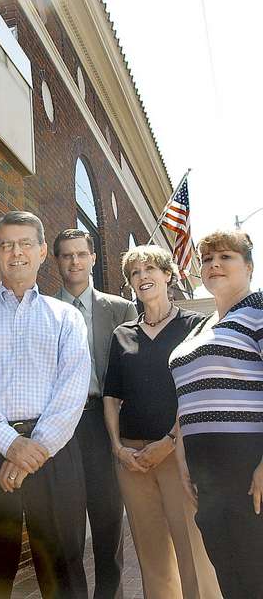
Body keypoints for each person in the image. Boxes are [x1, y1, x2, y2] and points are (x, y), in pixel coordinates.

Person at [0, 211, 91, 599]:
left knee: (64, 571)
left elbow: (72, 390)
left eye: (26, 243)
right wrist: (10, 443)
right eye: (6, 245)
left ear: (42, 251)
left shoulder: (67, 317)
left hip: (54, 453)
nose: (16, 252)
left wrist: (33, 449)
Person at [103, 245, 221, 599]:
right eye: (135, 273)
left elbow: (199, 389)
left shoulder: (195, 326)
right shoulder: (122, 334)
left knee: (193, 549)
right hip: (133, 460)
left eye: (150, 269)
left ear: (168, 275)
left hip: (178, 452)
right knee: (152, 554)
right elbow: (111, 396)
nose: (142, 277)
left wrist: (170, 440)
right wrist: (118, 448)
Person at [169, 230, 263, 599]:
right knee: (230, 573)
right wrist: (180, 455)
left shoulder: (259, 310)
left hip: (248, 462)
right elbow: (188, 395)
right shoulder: (201, 327)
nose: (214, 265)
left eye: (226, 257)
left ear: (249, 266)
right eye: (207, 259)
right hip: (205, 471)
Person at [54, 229, 136, 599]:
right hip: (59, 426)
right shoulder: (44, 309)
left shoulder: (120, 309)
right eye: (66, 255)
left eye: (80, 254)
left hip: (103, 422)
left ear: (93, 258)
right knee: (64, 525)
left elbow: (130, 372)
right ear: (57, 261)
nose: (74, 261)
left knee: (107, 522)